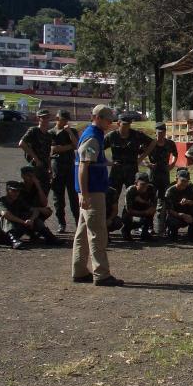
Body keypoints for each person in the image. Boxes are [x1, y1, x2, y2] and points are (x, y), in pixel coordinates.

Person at [72, 104, 124, 286]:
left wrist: (108, 163)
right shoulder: (93, 137)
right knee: (98, 233)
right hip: (92, 192)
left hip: (90, 191)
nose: (110, 124)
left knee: (82, 232)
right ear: (98, 118)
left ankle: (79, 270)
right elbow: (83, 166)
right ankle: (101, 274)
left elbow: (92, 161)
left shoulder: (94, 134)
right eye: (108, 120)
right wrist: (85, 194)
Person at [0, 180, 62, 249]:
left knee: (29, 215)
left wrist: (31, 220)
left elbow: (35, 210)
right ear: (7, 191)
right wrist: (23, 222)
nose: (16, 193)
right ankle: (14, 241)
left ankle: (49, 237)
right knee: (6, 217)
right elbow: (6, 214)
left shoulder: (19, 201)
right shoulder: (1, 201)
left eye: (18, 191)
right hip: (0, 235)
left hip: (15, 231)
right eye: (13, 191)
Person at [105, 114, 154, 197]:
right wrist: (108, 162)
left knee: (133, 196)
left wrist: (141, 158)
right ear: (118, 123)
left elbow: (153, 142)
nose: (127, 127)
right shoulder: (112, 136)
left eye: (128, 124)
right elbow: (99, 148)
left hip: (132, 170)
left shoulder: (136, 135)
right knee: (112, 195)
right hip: (117, 170)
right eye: (124, 124)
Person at [49, 109, 79, 233]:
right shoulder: (51, 132)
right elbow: (54, 149)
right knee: (58, 198)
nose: (65, 122)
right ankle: (61, 223)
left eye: (67, 120)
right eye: (63, 119)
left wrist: (69, 133)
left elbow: (77, 145)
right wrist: (70, 146)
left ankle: (78, 222)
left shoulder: (72, 131)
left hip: (70, 166)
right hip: (57, 166)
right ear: (57, 119)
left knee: (74, 197)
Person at [19, 109, 54, 192]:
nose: (46, 120)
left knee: (45, 190)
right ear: (38, 118)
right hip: (34, 167)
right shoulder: (33, 130)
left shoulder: (48, 135)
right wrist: (35, 158)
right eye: (43, 117)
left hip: (44, 168)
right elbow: (21, 143)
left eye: (47, 117)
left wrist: (50, 168)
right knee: (32, 191)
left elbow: (48, 153)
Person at [162, 168, 193, 242]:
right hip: (175, 214)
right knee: (171, 221)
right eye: (182, 181)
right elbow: (169, 210)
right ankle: (172, 234)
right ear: (176, 179)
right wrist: (181, 215)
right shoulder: (170, 191)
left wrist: (189, 202)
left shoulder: (190, 187)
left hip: (188, 214)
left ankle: (192, 235)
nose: (185, 183)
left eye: (187, 181)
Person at [122, 172, 157, 241]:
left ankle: (144, 233)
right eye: (142, 184)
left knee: (150, 213)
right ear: (136, 183)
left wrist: (144, 202)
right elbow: (129, 210)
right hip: (132, 211)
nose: (145, 187)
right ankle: (126, 230)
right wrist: (144, 213)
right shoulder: (130, 190)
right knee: (128, 218)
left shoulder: (151, 188)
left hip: (143, 209)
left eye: (146, 184)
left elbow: (153, 205)